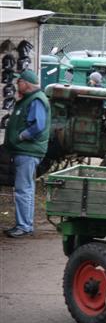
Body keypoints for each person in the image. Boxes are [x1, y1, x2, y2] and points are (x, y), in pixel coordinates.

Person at [3, 70, 50, 238]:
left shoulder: (36, 100)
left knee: (23, 189)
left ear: (27, 83)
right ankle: (25, 225)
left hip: (28, 151)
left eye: (19, 82)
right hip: (26, 151)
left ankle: (23, 226)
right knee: (26, 189)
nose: (17, 84)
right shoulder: (29, 99)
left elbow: (38, 126)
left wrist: (21, 136)